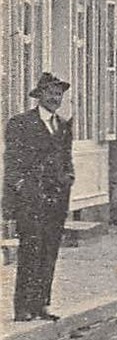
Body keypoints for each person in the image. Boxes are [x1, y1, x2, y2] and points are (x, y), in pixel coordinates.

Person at [3, 73, 76, 322]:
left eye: (59, 94)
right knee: (31, 251)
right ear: (39, 95)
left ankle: (41, 304)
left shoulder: (63, 125)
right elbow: (11, 162)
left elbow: (67, 159)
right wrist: (22, 189)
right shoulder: (21, 123)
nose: (55, 98)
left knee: (49, 251)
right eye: (51, 93)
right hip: (31, 200)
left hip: (56, 200)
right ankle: (23, 307)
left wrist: (69, 177)